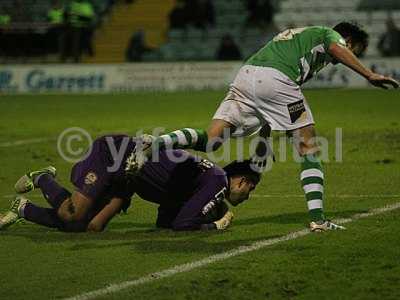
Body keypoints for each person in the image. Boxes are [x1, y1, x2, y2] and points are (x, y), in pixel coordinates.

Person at [130, 22, 399, 232]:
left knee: (212, 139)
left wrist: (265, 137)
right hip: (277, 79)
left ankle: (156, 143)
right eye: (356, 51)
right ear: (349, 41)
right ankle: (318, 220)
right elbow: (336, 49)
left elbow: (270, 103)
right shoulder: (329, 34)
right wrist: (369, 74)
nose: (348, 56)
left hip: (247, 76)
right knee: (308, 147)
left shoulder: (299, 39)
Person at [0, 135, 259, 232]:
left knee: (89, 226)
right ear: (241, 180)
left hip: (127, 180)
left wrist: (204, 214)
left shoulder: (200, 182)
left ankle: (23, 208)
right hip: (114, 156)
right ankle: (43, 177)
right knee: (73, 213)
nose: (248, 195)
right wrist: (214, 226)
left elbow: (166, 222)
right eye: (250, 189)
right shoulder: (217, 179)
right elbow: (183, 224)